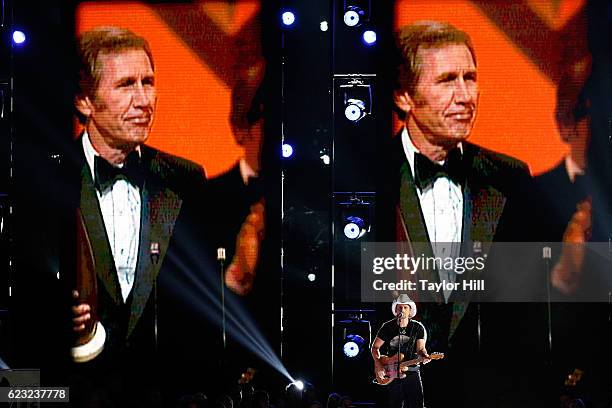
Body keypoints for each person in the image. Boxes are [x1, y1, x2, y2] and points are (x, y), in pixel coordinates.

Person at [68, 27, 235, 406]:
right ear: (84, 100)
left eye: (148, 82)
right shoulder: (44, 179)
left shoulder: (185, 180)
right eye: (126, 85)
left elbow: (205, 306)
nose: (144, 99)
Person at [376, 21, 535, 406]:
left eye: (470, 78)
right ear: (403, 96)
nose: (465, 95)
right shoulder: (367, 175)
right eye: (447, 80)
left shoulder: (509, 178)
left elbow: (528, 304)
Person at [371, 295, 430, 408]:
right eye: (399, 307)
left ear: (410, 311)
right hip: (392, 371)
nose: (402, 310)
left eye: (405, 307)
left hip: (412, 370)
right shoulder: (387, 327)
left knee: (416, 403)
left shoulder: (417, 328)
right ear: (395, 310)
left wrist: (425, 356)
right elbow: (375, 348)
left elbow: (421, 349)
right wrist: (378, 363)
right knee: (394, 404)